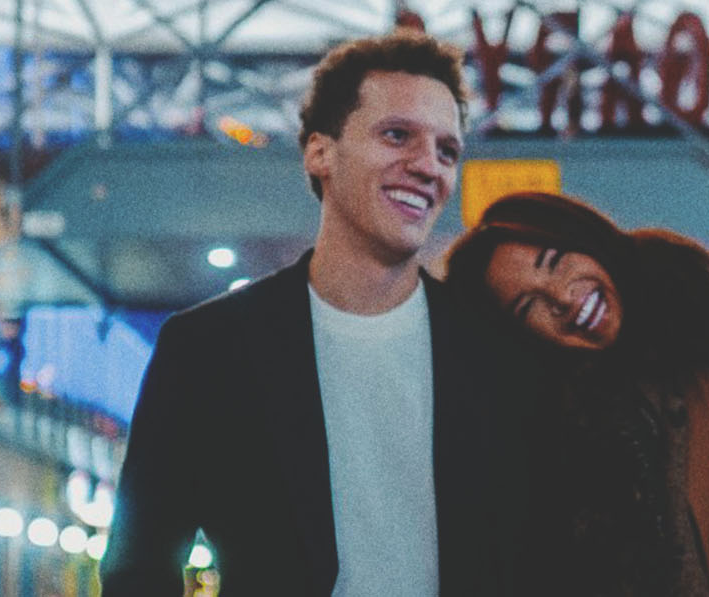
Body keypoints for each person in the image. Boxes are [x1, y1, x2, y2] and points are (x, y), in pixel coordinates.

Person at [100, 32, 537, 595]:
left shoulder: (494, 350)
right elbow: (139, 566)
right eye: (397, 135)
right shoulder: (209, 348)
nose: (428, 166)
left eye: (446, 150)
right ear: (320, 152)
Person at [446, 191, 709, 596]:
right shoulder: (572, 424)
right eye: (528, 305)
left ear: (589, 240)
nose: (563, 298)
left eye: (556, 260)